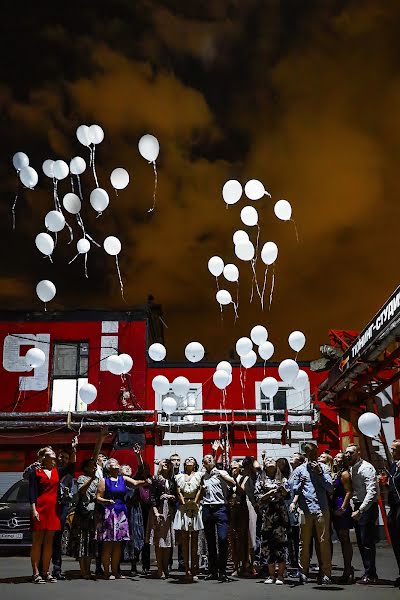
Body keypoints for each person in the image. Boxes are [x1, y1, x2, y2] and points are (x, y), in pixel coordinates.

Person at [96, 458, 147, 580]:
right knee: (108, 543)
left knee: (118, 544)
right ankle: (106, 572)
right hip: (109, 512)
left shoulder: (123, 479)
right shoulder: (104, 481)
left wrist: (146, 481)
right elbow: (98, 497)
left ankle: (115, 571)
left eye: (117, 463)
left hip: (121, 512)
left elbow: (135, 484)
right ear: (108, 467)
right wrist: (107, 501)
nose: (117, 465)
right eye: (113, 464)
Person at [292, 442, 333, 585]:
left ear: (316, 452)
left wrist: (320, 474)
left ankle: (326, 573)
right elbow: (293, 489)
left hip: (321, 509)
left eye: (312, 452)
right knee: (303, 542)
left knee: (324, 542)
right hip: (305, 510)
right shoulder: (299, 470)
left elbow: (330, 487)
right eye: (307, 452)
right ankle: (303, 572)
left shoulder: (325, 468)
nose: (310, 455)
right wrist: (299, 484)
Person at [345, 444, 379, 585]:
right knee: (361, 541)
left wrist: (361, 510)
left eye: (351, 453)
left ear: (358, 453)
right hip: (358, 506)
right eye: (346, 453)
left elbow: (372, 492)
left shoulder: (366, 468)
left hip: (367, 508)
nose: (348, 455)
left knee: (367, 542)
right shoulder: (352, 468)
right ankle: (368, 572)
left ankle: (371, 574)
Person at [28, 448, 62, 584]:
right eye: (51, 455)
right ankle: (35, 573)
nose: (54, 457)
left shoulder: (56, 471)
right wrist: (34, 510)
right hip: (40, 508)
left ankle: (46, 572)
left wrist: (74, 448)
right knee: (37, 541)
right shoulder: (35, 471)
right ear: (43, 457)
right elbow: (32, 492)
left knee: (49, 542)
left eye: (54, 455)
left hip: (53, 510)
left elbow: (72, 463)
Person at [254, 457, 289, 585]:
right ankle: (270, 575)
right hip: (266, 515)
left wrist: (282, 490)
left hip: (279, 515)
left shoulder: (282, 479)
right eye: (267, 460)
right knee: (267, 545)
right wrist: (269, 494)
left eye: (271, 460)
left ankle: (280, 575)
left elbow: (288, 494)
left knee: (280, 545)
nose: (269, 461)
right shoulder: (260, 479)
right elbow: (257, 497)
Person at [201, 454, 235, 582]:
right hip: (207, 508)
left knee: (222, 538)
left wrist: (220, 475)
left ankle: (223, 570)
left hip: (221, 507)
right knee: (210, 541)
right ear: (203, 462)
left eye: (211, 458)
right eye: (206, 458)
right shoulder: (202, 474)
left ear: (214, 461)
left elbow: (233, 483)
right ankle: (212, 571)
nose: (209, 459)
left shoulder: (221, 472)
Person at [51, 440, 78, 580]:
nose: (63, 460)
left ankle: (57, 569)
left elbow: (73, 464)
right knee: (47, 540)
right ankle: (42, 569)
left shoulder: (68, 473)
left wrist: (74, 449)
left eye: (66, 458)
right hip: (50, 508)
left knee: (57, 539)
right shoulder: (51, 470)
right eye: (61, 457)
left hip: (62, 509)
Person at [174, 457, 203, 581]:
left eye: (192, 459)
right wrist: (184, 504)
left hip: (195, 507)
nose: (189, 461)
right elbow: (178, 490)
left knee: (195, 540)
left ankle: (195, 568)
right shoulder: (179, 476)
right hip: (184, 506)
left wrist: (194, 503)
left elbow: (200, 489)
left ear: (195, 464)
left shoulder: (199, 475)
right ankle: (186, 568)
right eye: (187, 460)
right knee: (185, 540)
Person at [147, 458, 177, 579]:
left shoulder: (173, 480)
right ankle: (160, 568)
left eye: (168, 464)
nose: (166, 465)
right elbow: (152, 496)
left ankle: (166, 567)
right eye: (164, 463)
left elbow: (177, 494)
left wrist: (171, 496)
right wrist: (155, 512)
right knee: (159, 541)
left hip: (170, 510)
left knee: (168, 541)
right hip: (158, 510)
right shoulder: (155, 479)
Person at [331, 452, 354, 583]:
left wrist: (343, 508)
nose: (336, 459)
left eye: (339, 457)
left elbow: (349, 491)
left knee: (344, 538)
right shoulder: (335, 473)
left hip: (341, 505)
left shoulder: (345, 474)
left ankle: (348, 570)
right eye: (335, 457)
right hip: (334, 504)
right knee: (341, 537)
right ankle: (347, 569)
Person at [287, 453, 305, 573]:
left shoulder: (300, 472)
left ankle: (301, 565)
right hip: (290, 508)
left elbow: (299, 490)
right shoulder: (292, 473)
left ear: (299, 461)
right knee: (292, 536)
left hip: (298, 507)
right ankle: (294, 562)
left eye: (293, 457)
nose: (291, 458)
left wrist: (294, 502)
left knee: (299, 537)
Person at [386, 439, 400, 587]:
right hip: (394, 506)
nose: (392, 452)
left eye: (395, 449)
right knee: (396, 541)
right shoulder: (393, 466)